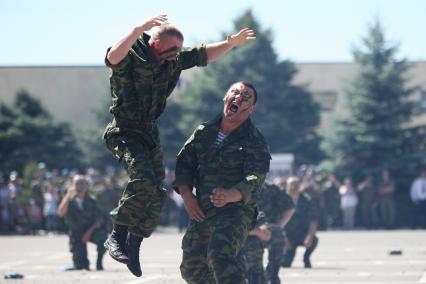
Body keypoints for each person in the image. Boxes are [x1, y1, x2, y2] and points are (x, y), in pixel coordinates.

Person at [103, 14, 256, 277]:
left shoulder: (173, 61)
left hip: (149, 132)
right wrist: (138, 29)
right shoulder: (133, 53)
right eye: (172, 49)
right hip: (125, 130)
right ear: (156, 44)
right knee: (142, 179)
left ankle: (135, 241)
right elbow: (112, 58)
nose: (177, 54)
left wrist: (230, 43)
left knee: (158, 190)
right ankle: (117, 234)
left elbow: (203, 54)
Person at [174, 81, 270, 284]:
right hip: (202, 209)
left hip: (236, 211)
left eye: (245, 97)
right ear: (225, 97)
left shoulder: (255, 140)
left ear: (250, 109)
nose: (238, 97)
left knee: (220, 255)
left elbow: (255, 177)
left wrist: (230, 195)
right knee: (191, 270)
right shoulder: (204, 132)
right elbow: (184, 164)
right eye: (234, 93)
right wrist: (187, 196)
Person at [57, 175, 107, 271]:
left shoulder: (92, 200)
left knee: (103, 237)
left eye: (82, 183)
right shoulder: (69, 200)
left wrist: (88, 233)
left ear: (86, 185)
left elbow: (99, 220)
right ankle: (82, 262)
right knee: (81, 266)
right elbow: (60, 213)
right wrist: (67, 195)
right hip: (76, 233)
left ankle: (99, 262)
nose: (80, 186)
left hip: (91, 230)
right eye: (77, 183)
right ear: (72, 185)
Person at [258, 182, 295, 284]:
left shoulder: (271, 189)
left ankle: (273, 274)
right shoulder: (234, 184)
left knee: (278, 235)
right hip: (241, 228)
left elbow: (290, 206)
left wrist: (280, 225)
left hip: (267, 227)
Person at [282, 176, 319, 268]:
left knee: (314, 240)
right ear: (287, 186)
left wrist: (309, 237)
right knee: (286, 264)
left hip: (302, 234)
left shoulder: (307, 200)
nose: (294, 187)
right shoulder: (281, 200)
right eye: (292, 185)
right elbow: (276, 221)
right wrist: (284, 238)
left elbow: (313, 220)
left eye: (296, 185)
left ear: (300, 186)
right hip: (287, 235)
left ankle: (306, 258)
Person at [238, 211, 271, 284]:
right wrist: (254, 231)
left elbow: (266, 235)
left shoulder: (257, 215)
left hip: (253, 264)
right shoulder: (225, 212)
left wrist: (247, 231)